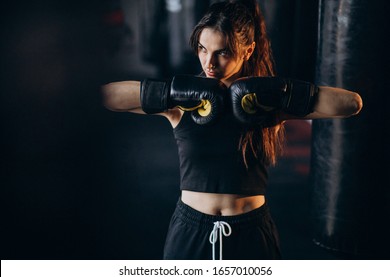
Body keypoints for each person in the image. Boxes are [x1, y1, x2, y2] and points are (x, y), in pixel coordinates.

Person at [101, 0, 363, 260]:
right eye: (203, 49)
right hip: (190, 230)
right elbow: (107, 97)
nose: (209, 63)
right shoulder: (185, 102)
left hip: (252, 231)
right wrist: (168, 93)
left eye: (222, 52)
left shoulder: (265, 103)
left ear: (248, 51)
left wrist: (281, 92)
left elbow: (351, 103)